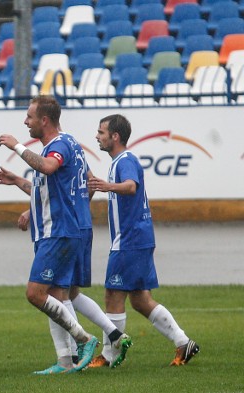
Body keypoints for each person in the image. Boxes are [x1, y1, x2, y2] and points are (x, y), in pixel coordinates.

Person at [0, 95, 98, 374]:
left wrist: (15, 145)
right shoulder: (68, 145)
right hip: (58, 230)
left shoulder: (59, 146)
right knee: (54, 294)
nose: (25, 122)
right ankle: (66, 361)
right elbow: (52, 187)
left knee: (35, 294)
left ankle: (84, 339)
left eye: (29, 117)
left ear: (44, 120)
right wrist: (18, 181)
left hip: (59, 231)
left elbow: (48, 167)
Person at [87, 114, 200, 367]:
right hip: (138, 238)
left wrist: (107, 186)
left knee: (112, 296)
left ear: (115, 136)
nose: (97, 136)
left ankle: (109, 355)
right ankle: (184, 343)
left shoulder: (125, 160)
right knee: (140, 300)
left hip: (130, 240)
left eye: (101, 132)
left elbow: (130, 186)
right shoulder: (119, 161)